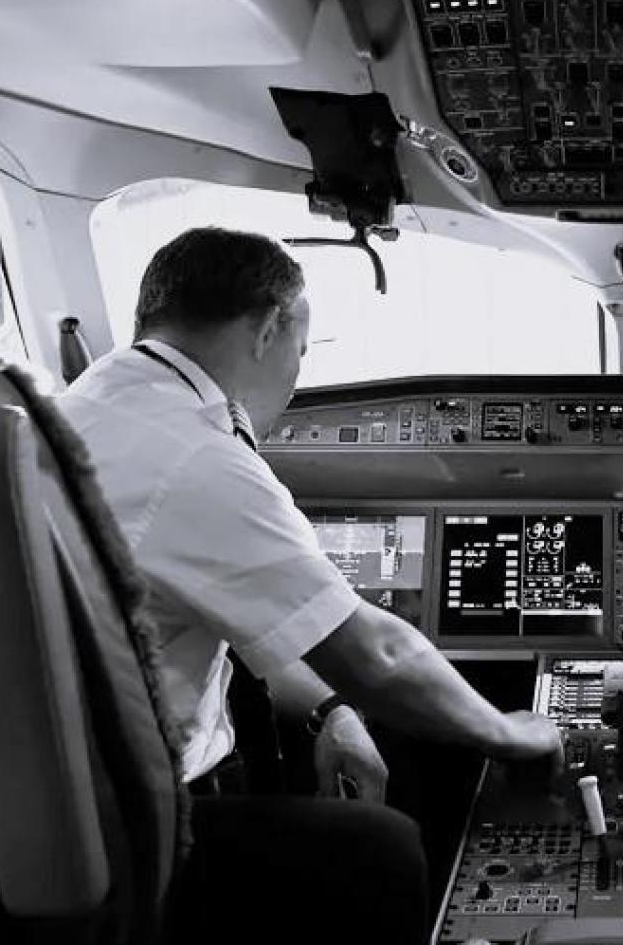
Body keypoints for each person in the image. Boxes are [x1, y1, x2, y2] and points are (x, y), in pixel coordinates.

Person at [58, 227, 562, 943]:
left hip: (61, 789)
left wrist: (331, 710)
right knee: (378, 851)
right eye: (301, 348)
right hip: (132, 822)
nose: (297, 372)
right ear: (270, 328)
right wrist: (514, 733)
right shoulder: (197, 454)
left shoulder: (93, 401)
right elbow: (379, 657)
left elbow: (246, 627)